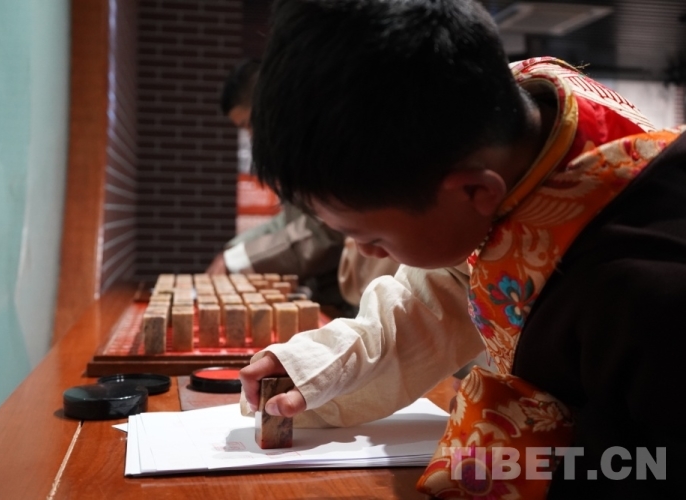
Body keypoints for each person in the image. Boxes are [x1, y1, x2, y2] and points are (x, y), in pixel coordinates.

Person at [239, 0, 684, 497]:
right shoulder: (507, 124)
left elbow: (652, 464)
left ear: (475, 192)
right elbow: (442, 293)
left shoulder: (646, 282)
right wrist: (320, 365)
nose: (364, 252)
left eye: (373, 237)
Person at [208, 59, 348, 311]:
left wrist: (238, 259)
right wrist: (234, 251)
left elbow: (329, 229)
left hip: (351, 296)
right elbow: (292, 220)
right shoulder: (295, 148)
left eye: (249, 124)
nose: (251, 136)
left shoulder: (324, 139)